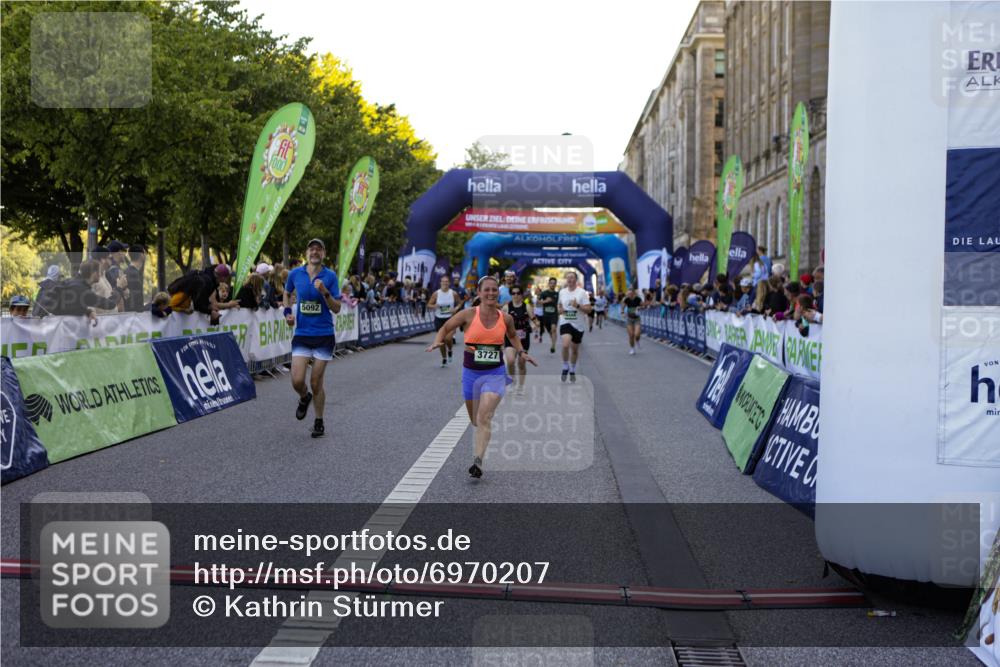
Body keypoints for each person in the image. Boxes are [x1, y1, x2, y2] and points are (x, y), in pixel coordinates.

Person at [426, 275, 537, 478]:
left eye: (494, 290)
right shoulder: (468, 315)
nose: (491, 293)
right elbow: (445, 327)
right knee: (475, 420)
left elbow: (512, 335)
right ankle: (480, 446)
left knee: (484, 416)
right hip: (471, 374)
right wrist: (437, 341)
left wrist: (521, 352)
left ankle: (478, 461)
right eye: (487, 289)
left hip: (495, 373)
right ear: (479, 293)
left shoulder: (506, 318)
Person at [284, 239, 342, 439]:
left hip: (324, 335)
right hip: (302, 335)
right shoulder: (295, 274)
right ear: (306, 253)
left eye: (318, 249)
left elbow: (337, 308)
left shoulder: (330, 276)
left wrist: (325, 292)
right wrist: (287, 313)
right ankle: (304, 397)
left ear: (323, 254)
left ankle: (319, 421)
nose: (314, 251)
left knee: (316, 382)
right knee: (297, 380)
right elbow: (286, 292)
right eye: (311, 248)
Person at [557, 270, 591, 382]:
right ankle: (565, 366)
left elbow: (588, 309)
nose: (570, 279)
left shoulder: (582, 293)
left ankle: (572, 369)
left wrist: (577, 306)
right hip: (565, 321)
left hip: (578, 325)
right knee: (566, 344)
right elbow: (559, 306)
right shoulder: (562, 292)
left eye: (572, 277)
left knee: (575, 350)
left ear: (576, 280)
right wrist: (560, 310)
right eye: (568, 277)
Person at [503, 285, 535, 394]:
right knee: (511, 360)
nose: (516, 295)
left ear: (521, 295)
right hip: (510, 338)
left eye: (518, 293)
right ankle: (512, 381)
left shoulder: (527, 307)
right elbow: (500, 321)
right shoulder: (507, 307)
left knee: (521, 363)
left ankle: (521, 386)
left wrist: (536, 325)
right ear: (511, 295)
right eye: (513, 293)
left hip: (523, 339)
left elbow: (534, 319)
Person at [428, 275, 458, 366]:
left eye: (446, 281)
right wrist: (434, 306)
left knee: (448, 338)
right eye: (443, 281)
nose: (445, 283)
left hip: (450, 318)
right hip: (439, 319)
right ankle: (444, 358)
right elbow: (429, 305)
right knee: (441, 341)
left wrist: (455, 309)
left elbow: (460, 303)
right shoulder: (436, 294)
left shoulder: (453, 293)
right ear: (440, 283)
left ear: (449, 283)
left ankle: (450, 350)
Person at [538, 276, 560, 353]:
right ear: (549, 284)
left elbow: (560, 303)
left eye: (554, 283)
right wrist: (545, 301)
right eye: (551, 283)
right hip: (546, 315)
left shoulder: (557, 294)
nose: (552, 285)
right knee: (550, 331)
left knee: (553, 329)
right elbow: (538, 302)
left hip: (554, 314)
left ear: (556, 284)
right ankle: (552, 339)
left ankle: (553, 346)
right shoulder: (544, 293)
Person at [123, 244, 146, 312]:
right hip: (134, 315)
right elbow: (135, 299)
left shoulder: (128, 271)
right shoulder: (133, 273)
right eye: (144, 253)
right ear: (141, 255)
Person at [622, 286, 643, 355]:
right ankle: (632, 348)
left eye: (630, 294)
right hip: (629, 318)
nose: (629, 295)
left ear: (633, 293)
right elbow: (623, 307)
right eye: (628, 294)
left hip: (637, 318)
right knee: (631, 335)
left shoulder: (638, 299)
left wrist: (639, 307)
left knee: (637, 334)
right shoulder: (626, 299)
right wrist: (622, 313)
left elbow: (643, 306)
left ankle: (637, 340)